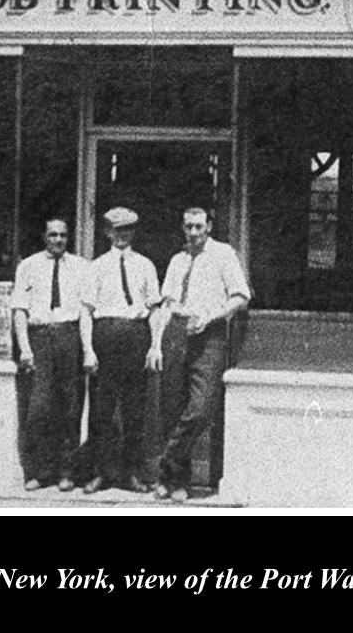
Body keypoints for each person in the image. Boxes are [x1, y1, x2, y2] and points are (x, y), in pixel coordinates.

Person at [154, 207, 250, 502]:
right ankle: (177, 482)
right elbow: (166, 304)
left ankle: (166, 459)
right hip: (176, 332)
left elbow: (241, 296)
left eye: (198, 226)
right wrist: (156, 343)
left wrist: (210, 316)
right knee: (174, 407)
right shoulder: (177, 260)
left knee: (200, 409)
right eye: (188, 227)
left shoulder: (223, 255)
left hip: (209, 335)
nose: (193, 233)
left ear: (209, 226)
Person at [81, 207, 162, 494]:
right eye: (117, 230)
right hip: (105, 337)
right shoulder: (97, 267)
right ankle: (101, 473)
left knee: (135, 410)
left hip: (135, 336)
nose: (122, 235)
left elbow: (154, 309)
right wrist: (88, 350)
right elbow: (86, 312)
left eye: (128, 229)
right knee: (102, 410)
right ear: (107, 233)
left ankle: (131, 474)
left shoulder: (146, 266)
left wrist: (154, 345)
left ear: (134, 232)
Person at [11, 217, 94, 492]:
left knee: (71, 407)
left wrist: (88, 350)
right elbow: (20, 311)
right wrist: (25, 348)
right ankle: (38, 471)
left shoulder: (81, 267)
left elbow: (85, 313)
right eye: (53, 235)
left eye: (63, 235)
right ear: (43, 236)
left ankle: (66, 472)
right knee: (39, 407)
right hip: (40, 338)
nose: (58, 240)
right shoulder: (28, 266)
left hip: (69, 336)